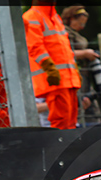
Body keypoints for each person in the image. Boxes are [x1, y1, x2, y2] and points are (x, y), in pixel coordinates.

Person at [23, 0, 82, 130]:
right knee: (60, 123)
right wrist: (50, 69)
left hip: (68, 80)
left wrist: (74, 70)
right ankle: (60, 150)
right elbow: (35, 47)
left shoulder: (55, 17)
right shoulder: (32, 16)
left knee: (70, 122)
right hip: (55, 81)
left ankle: (70, 149)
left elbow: (65, 48)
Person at [61, 5, 101, 126]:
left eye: (84, 24)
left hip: (85, 77)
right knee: (78, 108)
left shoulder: (78, 35)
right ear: (71, 19)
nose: (82, 26)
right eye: (80, 23)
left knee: (91, 105)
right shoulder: (64, 33)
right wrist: (85, 53)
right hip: (73, 75)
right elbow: (64, 53)